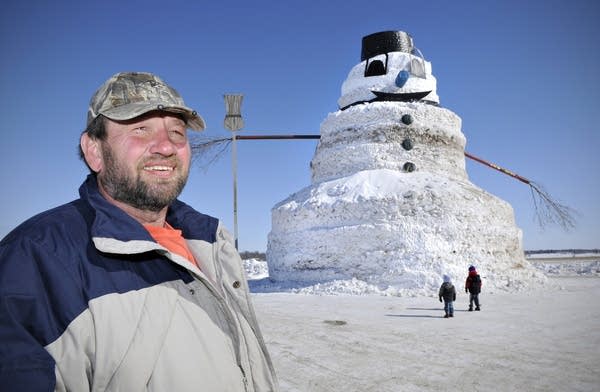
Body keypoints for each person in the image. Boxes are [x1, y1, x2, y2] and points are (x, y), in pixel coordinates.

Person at [0, 72, 279, 391]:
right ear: (94, 151)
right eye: (140, 129)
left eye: (177, 132)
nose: (165, 146)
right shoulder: (37, 259)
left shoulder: (210, 242)